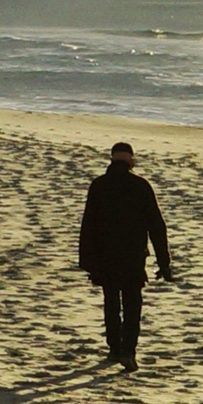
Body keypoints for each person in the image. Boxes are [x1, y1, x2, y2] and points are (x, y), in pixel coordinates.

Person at [76, 140, 175, 368]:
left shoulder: (99, 185)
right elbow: (156, 226)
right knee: (132, 304)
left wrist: (87, 261)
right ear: (131, 160)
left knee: (111, 301)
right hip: (132, 256)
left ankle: (114, 348)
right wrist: (164, 262)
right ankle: (128, 351)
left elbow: (88, 224)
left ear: (112, 159)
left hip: (105, 257)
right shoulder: (141, 186)